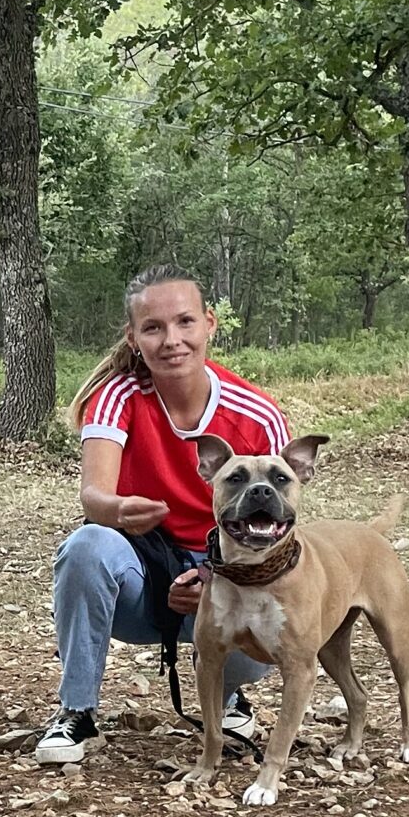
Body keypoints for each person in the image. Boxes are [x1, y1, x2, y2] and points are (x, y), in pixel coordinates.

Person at [35, 264, 291, 766]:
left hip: (232, 579)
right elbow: (94, 498)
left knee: (269, 583)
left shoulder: (257, 414)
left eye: (184, 323)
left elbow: (284, 529)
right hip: (145, 576)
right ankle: (78, 711)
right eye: (153, 328)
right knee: (86, 545)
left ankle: (228, 692)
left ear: (209, 325)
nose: (171, 340)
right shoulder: (116, 398)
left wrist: (217, 582)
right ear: (134, 338)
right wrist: (119, 510)